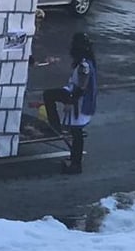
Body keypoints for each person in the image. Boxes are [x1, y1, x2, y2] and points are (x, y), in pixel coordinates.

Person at [42, 32, 99, 175]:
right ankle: (74, 159)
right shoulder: (86, 62)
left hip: (78, 98)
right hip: (75, 94)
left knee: (76, 132)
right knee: (75, 131)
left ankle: (75, 164)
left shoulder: (84, 65)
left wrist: (70, 101)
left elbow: (82, 87)